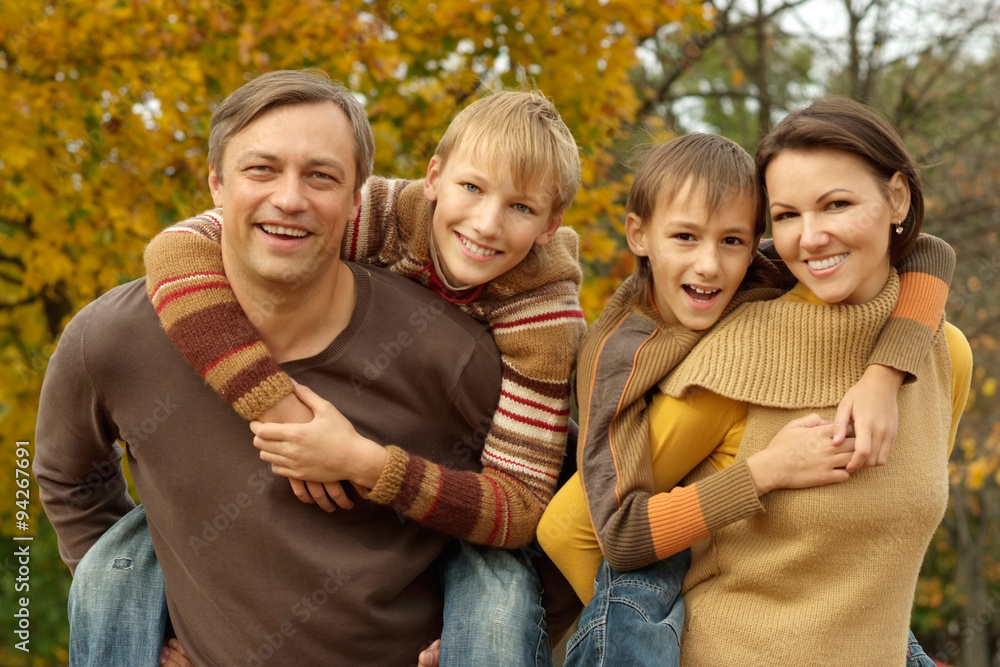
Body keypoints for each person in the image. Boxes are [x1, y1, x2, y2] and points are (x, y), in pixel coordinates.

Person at [34, 69, 508, 666]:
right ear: (216, 184)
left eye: (321, 176)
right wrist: (129, 612)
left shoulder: (449, 352)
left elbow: (566, 513)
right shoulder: (114, 338)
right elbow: (63, 476)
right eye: (261, 170)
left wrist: (489, 635)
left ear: (357, 198)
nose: (290, 198)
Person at [140, 86, 586, 666]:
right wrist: (279, 411)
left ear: (550, 225)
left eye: (521, 208)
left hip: (467, 504)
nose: (486, 223)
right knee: (123, 556)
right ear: (434, 177)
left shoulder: (544, 317)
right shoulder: (388, 216)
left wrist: (363, 464)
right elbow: (176, 249)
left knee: (498, 601)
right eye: (471, 188)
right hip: (346, 482)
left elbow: (522, 508)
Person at [537, 109, 965, 664]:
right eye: (787, 215)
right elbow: (577, 530)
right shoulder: (729, 359)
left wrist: (885, 374)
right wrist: (650, 633)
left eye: (837, 203)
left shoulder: (944, 354)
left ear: (898, 200)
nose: (811, 236)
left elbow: (931, 251)